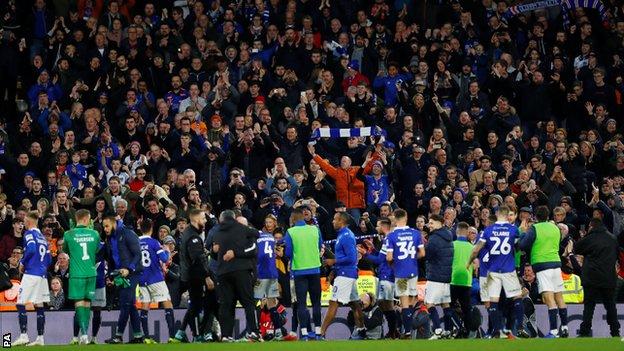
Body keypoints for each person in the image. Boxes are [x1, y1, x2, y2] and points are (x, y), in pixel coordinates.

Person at [468, 206, 529, 339]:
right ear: (507, 215)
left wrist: (469, 262)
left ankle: (497, 330)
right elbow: (520, 247)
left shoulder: (488, 230)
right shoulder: (513, 230)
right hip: (508, 270)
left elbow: (475, 250)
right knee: (517, 298)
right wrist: (523, 232)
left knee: (493, 301)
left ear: (496, 214)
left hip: (493, 271)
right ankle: (519, 328)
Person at [518, 206, 568, 338]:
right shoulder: (555, 228)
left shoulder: (535, 228)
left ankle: (553, 331)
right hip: (556, 264)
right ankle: (564, 327)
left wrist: (523, 232)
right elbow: (558, 243)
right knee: (559, 297)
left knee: (548, 298)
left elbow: (523, 245)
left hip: (542, 265)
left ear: (536, 216)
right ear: (548, 215)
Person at [213, 210, 261, 342]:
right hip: (241, 270)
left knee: (226, 304)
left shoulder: (217, 232)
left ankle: (226, 335)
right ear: (234, 218)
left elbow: (213, 250)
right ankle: (254, 332)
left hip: (223, 272)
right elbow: (256, 234)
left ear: (221, 219)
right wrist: (236, 252)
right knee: (249, 302)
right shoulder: (242, 228)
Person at [320, 212, 364, 339]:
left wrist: (333, 261)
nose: (332, 222)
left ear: (341, 221)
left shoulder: (346, 236)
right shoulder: (343, 235)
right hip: (346, 273)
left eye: (335, 219)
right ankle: (361, 329)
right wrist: (333, 271)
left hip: (346, 275)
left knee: (333, 302)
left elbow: (352, 258)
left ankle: (321, 333)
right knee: (354, 303)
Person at [574, 218, 621, 337]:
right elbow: (616, 255)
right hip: (608, 277)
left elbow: (577, 248)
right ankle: (615, 332)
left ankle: (585, 332)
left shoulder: (590, 238)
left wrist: (585, 236)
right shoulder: (612, 238)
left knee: (589, 306)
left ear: (591, 226)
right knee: (611, 305)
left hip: (591, 277)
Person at [103, 216, 144, 344]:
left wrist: (129, 269)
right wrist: (110, 275)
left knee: (125, 303)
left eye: (107, 226)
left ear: (114, 223)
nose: (105, 229)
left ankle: (118, 336)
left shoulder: (128, 233)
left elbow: (138, 254)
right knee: (130, 304)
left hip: (133, 273)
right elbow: (111, 258)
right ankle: (138, 336)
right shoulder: (110, 238)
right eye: (104, 226)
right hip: (121, 274)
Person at [284, 208, 323, 340]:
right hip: (315, 270)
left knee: (301, 304)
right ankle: (318, 333)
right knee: (316, 303)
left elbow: (288, 253)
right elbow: (320, 246)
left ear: (294, 219)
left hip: (299, 271)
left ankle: (305, 334)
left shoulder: (290, 232)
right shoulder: (315, 229)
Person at [174, 208, 213, 343]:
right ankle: (197, 336)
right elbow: (197, 258)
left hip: (190, 274)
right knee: (196, 306)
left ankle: (180, 332)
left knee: (194, 306)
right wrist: (207, 276)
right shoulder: (193, 237)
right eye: (203, 218)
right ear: (196, 220)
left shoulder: (190, 233)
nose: (205, 220)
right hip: (194, 275)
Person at [63, 209, 101, 345]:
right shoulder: (95, 234)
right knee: (87, 304)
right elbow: (96, 250)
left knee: (79, 304)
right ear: (86, 219)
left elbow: (65, 250)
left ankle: (84, 334)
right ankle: (85, 335)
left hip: (77, 274)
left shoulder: (68, 234)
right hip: (91, 273)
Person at [13, 211, 51, 346]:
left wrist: (22, 263)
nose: (23, 224)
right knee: (39, 305)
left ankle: (24, 336)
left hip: (31, 273)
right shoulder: (42, 237)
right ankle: (40, 338)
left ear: (28, 222)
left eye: (24, 221)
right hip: (42, 275)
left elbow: (31, 249)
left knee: (20, 303)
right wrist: (42, 268)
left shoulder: (29, 234)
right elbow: (49, 258)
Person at [385, 209, 425, 338]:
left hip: (400, 273)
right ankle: (412, 325)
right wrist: (411, 258)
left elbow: (389, 258)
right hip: (413, 271)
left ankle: (407, 331)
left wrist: (395, 264)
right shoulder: (416, 233)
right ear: (406, 217)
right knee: (412, 299)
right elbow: (422, 253)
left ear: (395, 219)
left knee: (404, 302)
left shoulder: (391, 236)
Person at [137, 219, 176, 343]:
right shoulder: (154, 242)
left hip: (142, 279)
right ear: (151, 229)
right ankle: (172, 337)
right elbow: (164, 259)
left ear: (140, 228)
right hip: (155, 278)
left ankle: (147, 338)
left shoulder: (136, 243)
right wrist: (166, 250)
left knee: (145, 306)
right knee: (167, 304)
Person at [359, 217, 398, 338]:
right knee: (385, 304)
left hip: (387, 275)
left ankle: (393, 331)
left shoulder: (388, 240)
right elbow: (382, 257)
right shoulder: (388, 239)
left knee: (385, 304)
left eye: (378, 225)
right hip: (387, 274)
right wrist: (373, 249)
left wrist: (365, 253)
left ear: (383, 227)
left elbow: (379, 260)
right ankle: (393, 331)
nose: (376, 228)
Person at [424, 214, 454, 339]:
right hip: (446, 276)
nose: (429, 225)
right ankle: (448, 330)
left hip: (435, 275)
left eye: (431, 223)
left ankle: (437, 330)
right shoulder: (448, 236)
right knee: (445, 303)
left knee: (429, 303)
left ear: (440, 223)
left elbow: (428, 255)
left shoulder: (434, 238)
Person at [450, 222, 474, 338]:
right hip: (466, 281)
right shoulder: (472, 247)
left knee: (448, 307)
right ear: (467, 233)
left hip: (453, 280)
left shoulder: (452, 245)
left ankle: (451, 330)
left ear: (457, 231)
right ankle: (469, 334)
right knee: (467, 309)